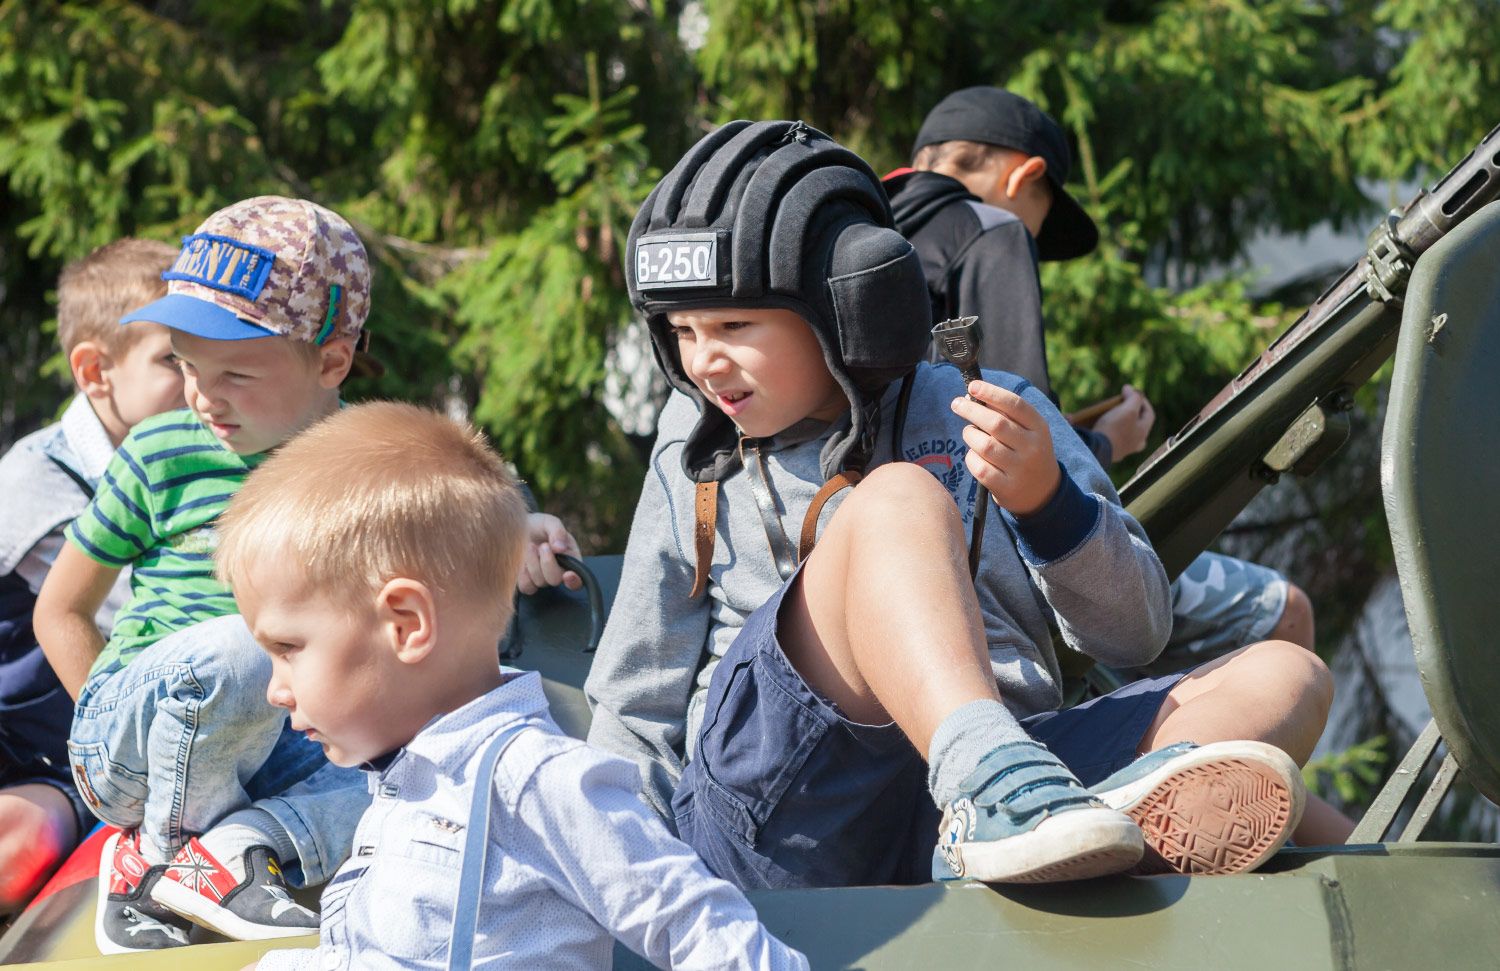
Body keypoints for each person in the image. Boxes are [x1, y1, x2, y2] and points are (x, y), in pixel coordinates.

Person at [586, 120, 1336, 892]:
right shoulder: (693, 442)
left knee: (1287, 675)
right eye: (682, 331)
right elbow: (636, 702)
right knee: (899, 497)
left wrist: (1048, 505)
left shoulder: (990, 407)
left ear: (845, 307)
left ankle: (1027, 831)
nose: (703, 361)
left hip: (977, 797)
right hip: (784, 815)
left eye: (733, 325)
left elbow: (1136, 632)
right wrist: (623, 890)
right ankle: (1005, 797)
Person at [214, 402, 808, 971]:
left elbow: (691, 920)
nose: (276, 690)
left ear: (406, 625)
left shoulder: (531, 779)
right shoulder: (408, 787)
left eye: (288, 650)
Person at [33, 197, 379, 953]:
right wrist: (109, 726)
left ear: (331, 361)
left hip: (282, 745)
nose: (201, 394)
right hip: (138, 736)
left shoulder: (365, 459)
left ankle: (241, 846)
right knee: (248, 646)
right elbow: (61, 609)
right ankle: (155, 855)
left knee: (427, 772)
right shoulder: (160, 452)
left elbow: (457, 501)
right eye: (186, 364)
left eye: (235, 373)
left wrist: (519, 527)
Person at [884, 86, 1316, 668]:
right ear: (1024, 176)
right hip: (985, 567)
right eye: (1039, 221)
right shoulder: (991, 229)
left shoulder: (872, 231)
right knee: (1282, 609)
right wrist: (1112, 441)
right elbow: (1013, 436)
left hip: (895, 547)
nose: (1031, 239)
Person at [0, 239, 184, 912]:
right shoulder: (36, 487)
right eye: (174, 359)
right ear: (96, 371)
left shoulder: (191, 461)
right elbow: (157, 626)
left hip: (75, 767)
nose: (202, 381)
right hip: (47, 752)